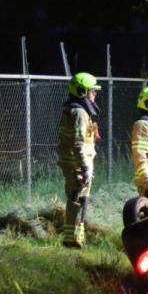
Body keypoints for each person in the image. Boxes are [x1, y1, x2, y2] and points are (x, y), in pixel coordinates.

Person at [56, 72, 101, 248]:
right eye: (92, 91)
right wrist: (85, 167)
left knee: (80, 199)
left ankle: (76, 238)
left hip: (75, 162)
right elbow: (78, 143)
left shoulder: (74, 108)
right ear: (82, 91)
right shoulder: (80, 112)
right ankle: (71, 240)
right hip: (77, 164)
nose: (94, 94)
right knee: (77, 199)